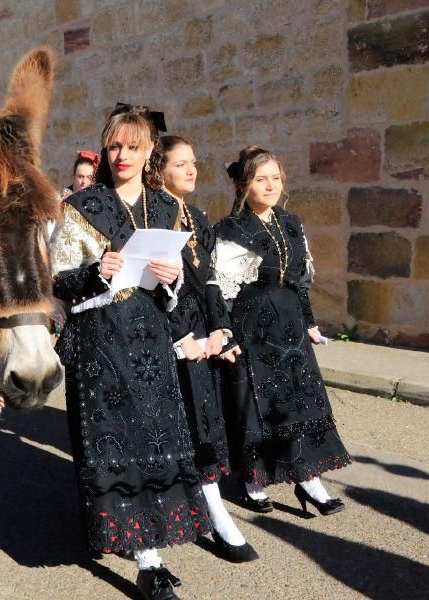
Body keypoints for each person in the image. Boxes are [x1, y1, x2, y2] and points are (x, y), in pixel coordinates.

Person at [51, 105, 207, 600]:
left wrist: (172, 278)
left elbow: (175, 288)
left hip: (151, 342)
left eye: (133, 147)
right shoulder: (83, 205)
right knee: (116, 442)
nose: (122, 155)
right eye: (114, 146)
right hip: (101, 342)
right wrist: (95, 271)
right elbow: (55, 280)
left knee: (154, 441)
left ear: (148, 153)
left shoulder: (166, 208)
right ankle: (146, 558)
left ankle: (152, 544)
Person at [215, 146, 350, 517]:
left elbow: (300, 282)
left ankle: (308, 478)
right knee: (259, 407)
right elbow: (222, 292)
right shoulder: (230, 229)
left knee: (299, 402)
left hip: (289, 325)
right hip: (253, 326)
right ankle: (254, 480)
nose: (270, 185)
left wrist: (310, 323)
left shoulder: (290, 222)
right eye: (261, 179)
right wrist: (225, 334)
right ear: (244, 184)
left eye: (275, 177)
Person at [146, 135, 257, 563]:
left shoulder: (196, 214)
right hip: (165, 333)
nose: (192, 170)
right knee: (175, 423)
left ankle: (210, 503)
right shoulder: (150, 212)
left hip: (200, 330)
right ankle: (177, 511)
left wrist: (220, 330)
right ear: (159, 170)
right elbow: (152, 285)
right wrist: (181, 336)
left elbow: (210, 280)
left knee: (205, 421)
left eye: (194, 162)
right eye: (181, 164)